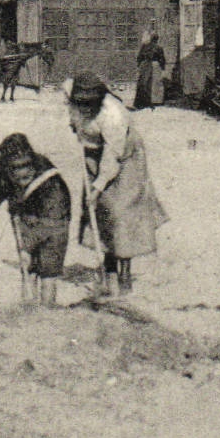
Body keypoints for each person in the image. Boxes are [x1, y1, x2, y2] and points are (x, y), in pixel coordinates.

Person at [66, 73, 168, 297]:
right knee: (99, 211)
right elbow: (69, 102)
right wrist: (75, 125)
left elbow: (113, 156)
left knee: (121, 212)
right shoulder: (72, 95)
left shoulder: (113, 114)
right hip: (93, 153)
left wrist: (98, 186)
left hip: (124, 156)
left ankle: (124, 270)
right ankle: (108, 265)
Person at [0, 133, 72, 306]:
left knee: (48, 272)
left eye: (26, 172)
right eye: (16, 171)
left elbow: (59, 214)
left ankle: (47, 309)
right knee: (28, 267)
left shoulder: (49, 177)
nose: (22, 178)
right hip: (26, 217)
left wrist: (37, 235)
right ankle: (28, 306)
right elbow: (5, 188)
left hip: (52, 219)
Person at [133, 30, 167, 109]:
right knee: (155, 84)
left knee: (144, 83)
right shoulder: (159, 48)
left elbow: (139, 58)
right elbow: (162, 59)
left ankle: (142, 102)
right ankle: (155, 101)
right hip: (155, 66)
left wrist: (139, 66)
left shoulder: (144, 46)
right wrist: (163, 68)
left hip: (144, 66)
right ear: (157, 39)